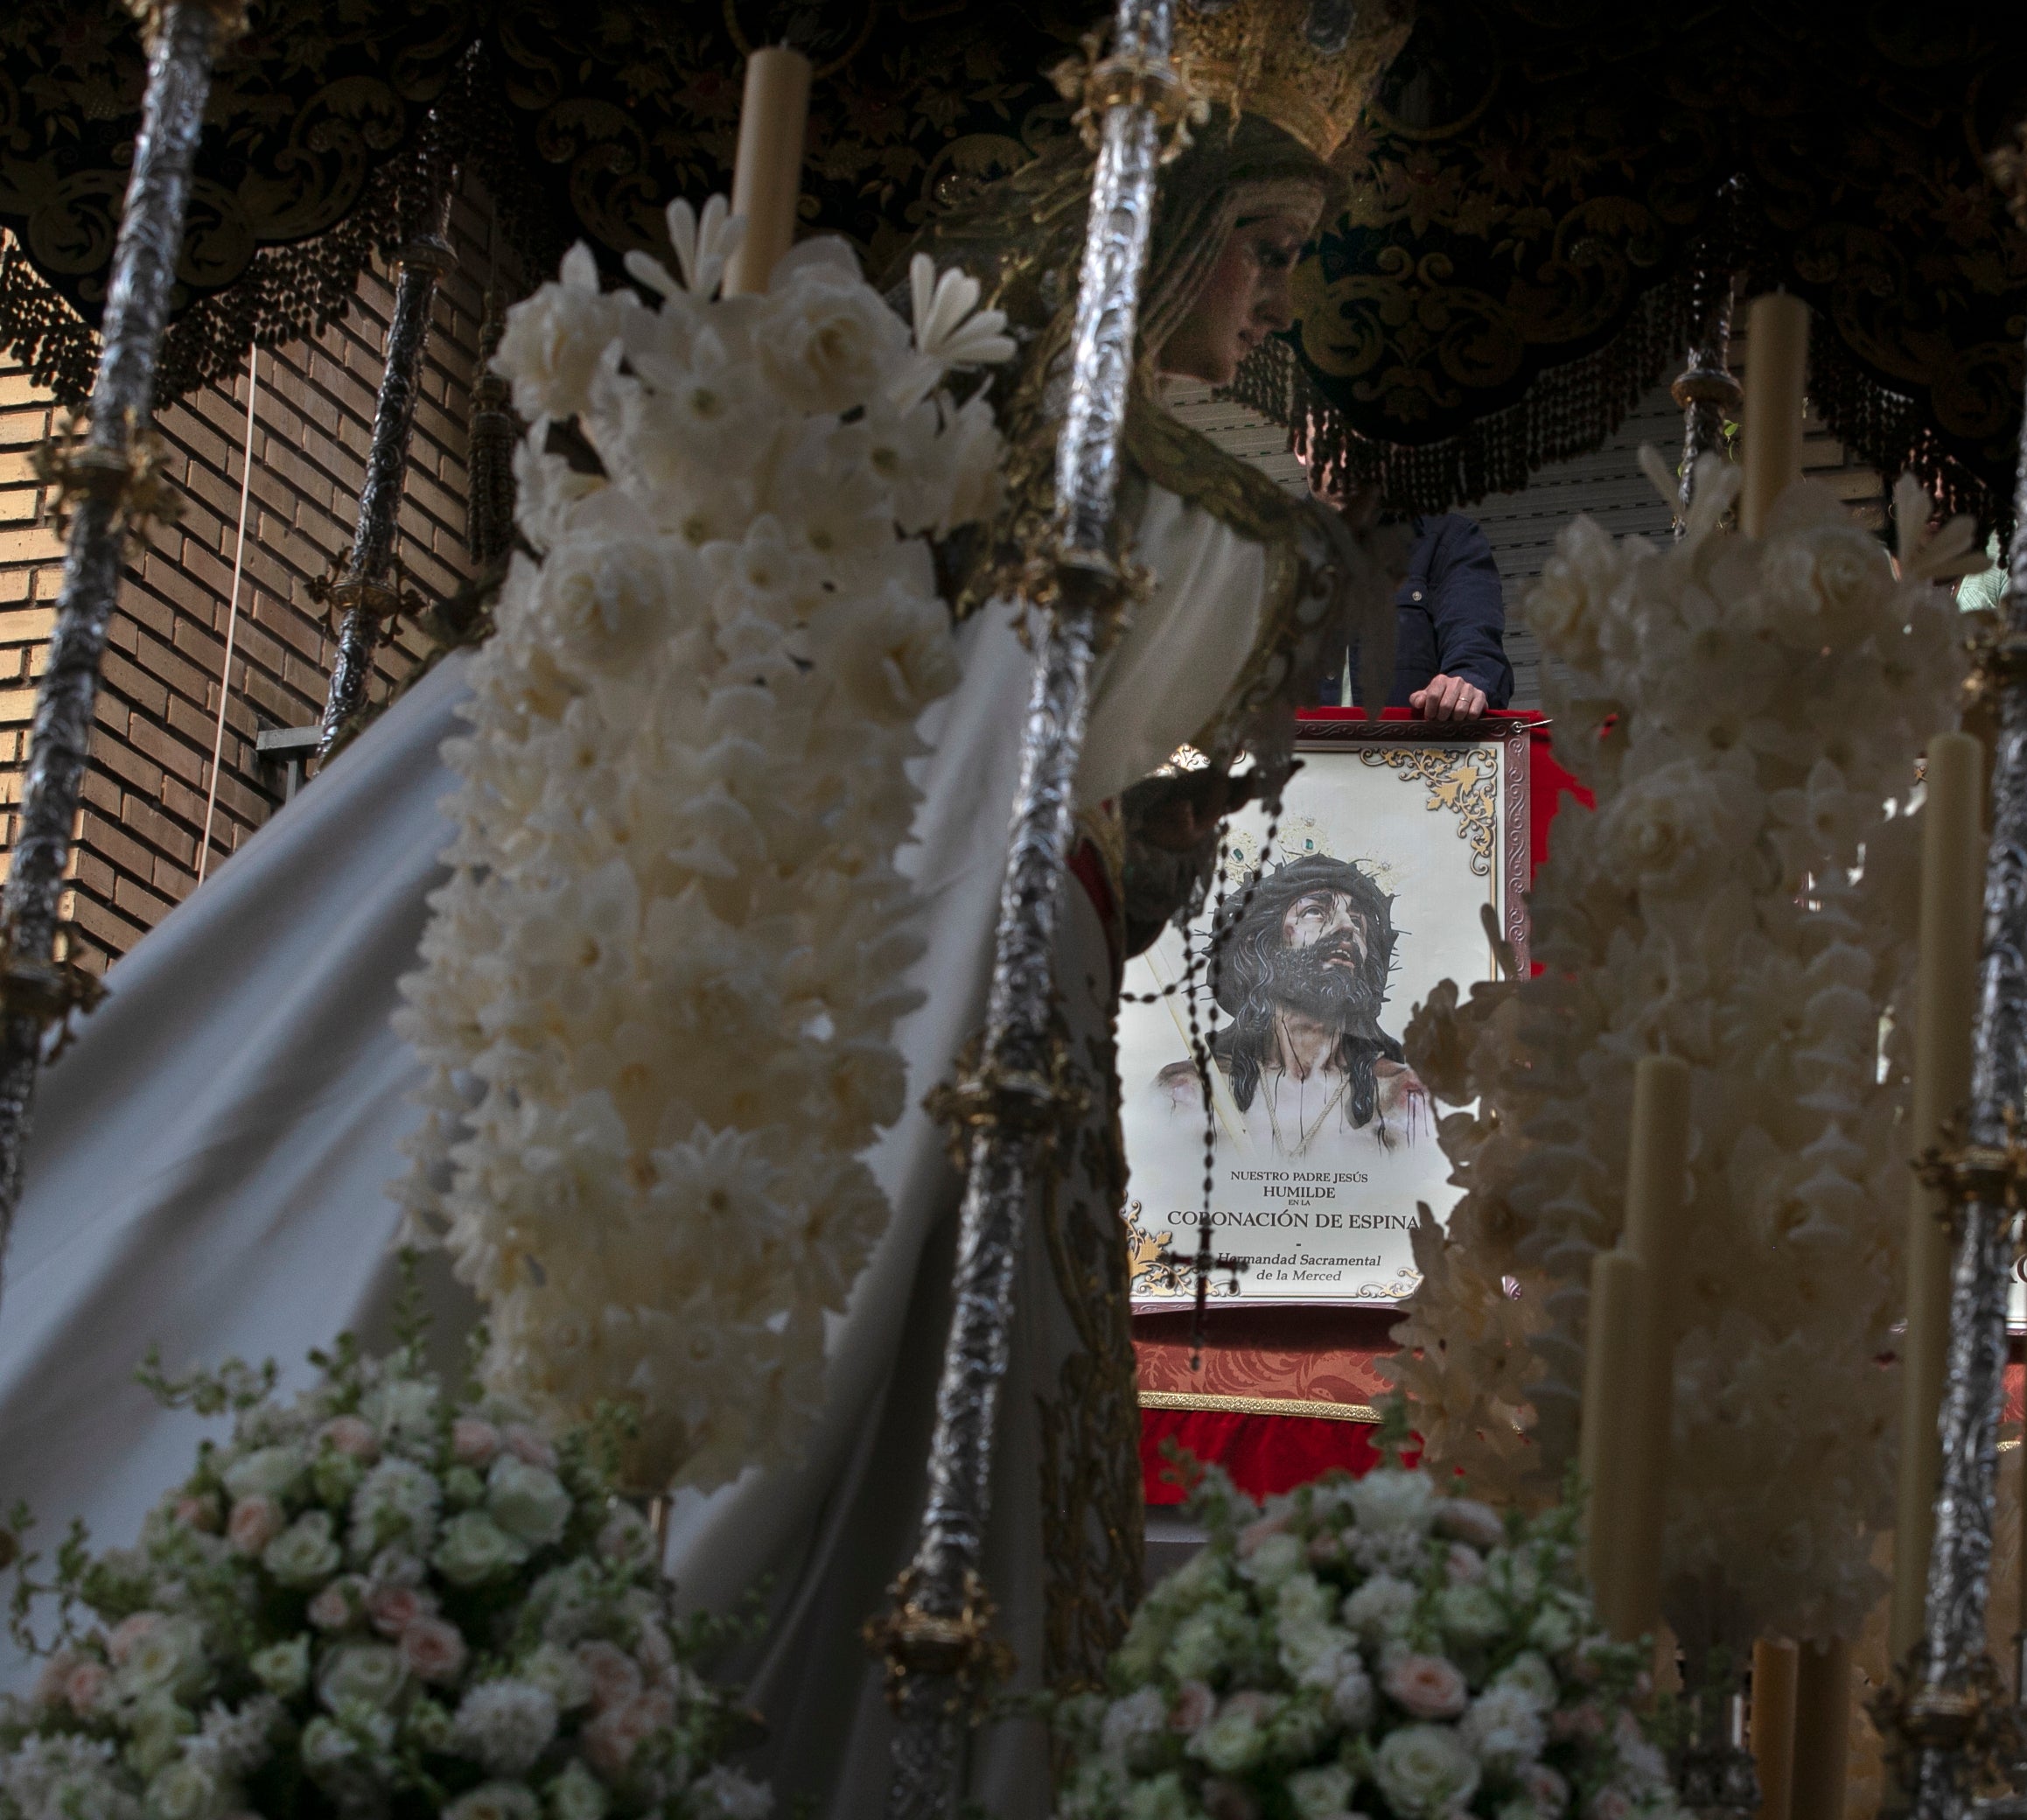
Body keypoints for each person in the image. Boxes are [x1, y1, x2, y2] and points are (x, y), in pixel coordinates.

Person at [0, 17, 1410, 1816]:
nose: (1278, 304)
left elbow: (1037, 734)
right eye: (1269, 252)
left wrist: (1125, 852)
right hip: (886, 965)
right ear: (1176, 216)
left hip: (1005, 959)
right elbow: (1020, 704)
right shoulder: (1088, 464)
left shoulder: (1097, 477)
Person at [1155, 853, 1432, 1155]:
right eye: (1315, 911)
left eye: (1356, 920)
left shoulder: (1403, 1095)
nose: (1347, 928)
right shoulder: (1187, 1092)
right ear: (1260, 944)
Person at [1310, 465, 1513, 720]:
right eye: (1332, 443)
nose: (1346, 459)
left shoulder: (1451, 542)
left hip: (1415, 759)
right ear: (1300, 445)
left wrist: (1465, 685)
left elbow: (1476, 647)